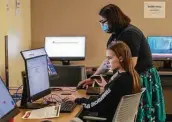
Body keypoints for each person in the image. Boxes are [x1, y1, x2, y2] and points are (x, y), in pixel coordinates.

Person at [77, 4, 166, 122]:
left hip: (140, 76)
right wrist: (94, 78)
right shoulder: (115, 35)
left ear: (113, 19)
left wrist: (112, 84)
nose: (102, 24)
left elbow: (130, 65)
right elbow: (108, 60)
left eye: (104, 21)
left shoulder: (130, 34)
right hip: (129, 77)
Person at [68, 42, 141, 122]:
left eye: (110, 58)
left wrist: (77, 100)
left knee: (72, 119)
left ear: (121, 58)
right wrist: (107, 86)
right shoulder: (131, 75)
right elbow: (113, 96)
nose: (107, 61)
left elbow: (96, 104)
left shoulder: (120, 81)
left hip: (107, 118)